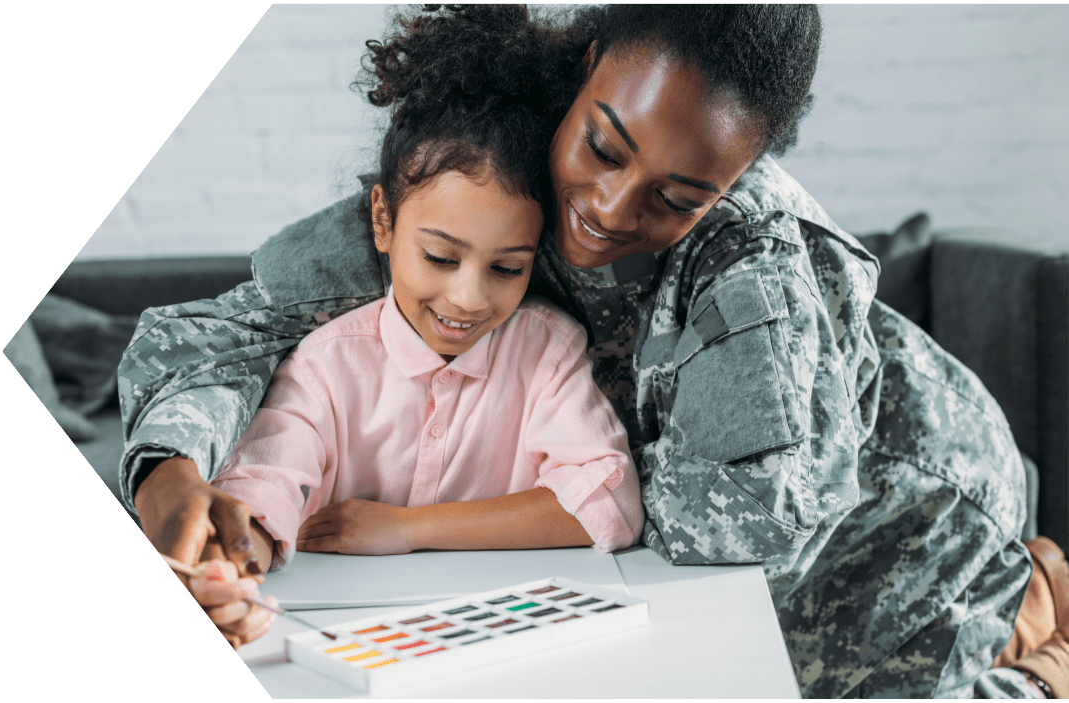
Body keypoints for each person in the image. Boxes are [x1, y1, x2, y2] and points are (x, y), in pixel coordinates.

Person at [119, 5, 1038, 697]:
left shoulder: (758, 263)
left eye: (676, 197)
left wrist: (432, 517)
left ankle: (1037, 621)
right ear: (587, 69)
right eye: (602, 145)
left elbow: (727, 528)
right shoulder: (488, 156)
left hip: (911, 503)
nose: (609, 206)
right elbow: (226, 332)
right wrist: (172, 474)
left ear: (733, 180)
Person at [206, 29, 642, 573]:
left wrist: (409, 529)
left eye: (507, 268)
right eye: (440, 257)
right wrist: (233, 563)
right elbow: (258, 489)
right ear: (383, 220)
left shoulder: (548, 351)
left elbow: (610, 504)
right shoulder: (325, 364)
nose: (468, 299)